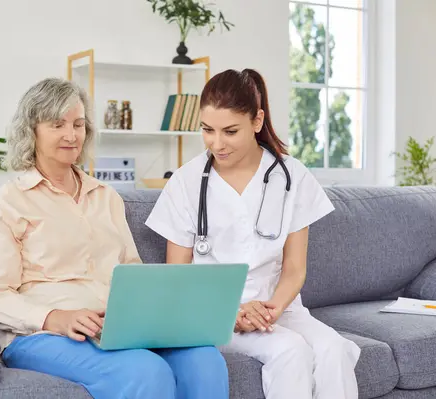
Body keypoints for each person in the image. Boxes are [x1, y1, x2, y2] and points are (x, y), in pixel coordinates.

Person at [0, 77, 229, 399]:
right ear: (31, 131)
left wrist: (149, 316)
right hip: (41, 335)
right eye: (57, 125)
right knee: (146, 372)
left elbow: (132, 272)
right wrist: (55, 318)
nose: (71, 135)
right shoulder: (10, 202)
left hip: (118, 330)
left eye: (78, 124)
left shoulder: (106, 197)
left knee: (205, 359)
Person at [144, 69, 361, 399]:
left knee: (334, 349)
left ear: (257, 121)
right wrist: (231, 314)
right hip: (212, 312)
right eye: (207, 130)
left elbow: (294, 269)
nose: (218, 143)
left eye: (230, 131)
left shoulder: (291, 176)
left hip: (279, 307)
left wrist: (270, 309)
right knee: (290, 350)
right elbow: (178, 278)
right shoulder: (186, 184)